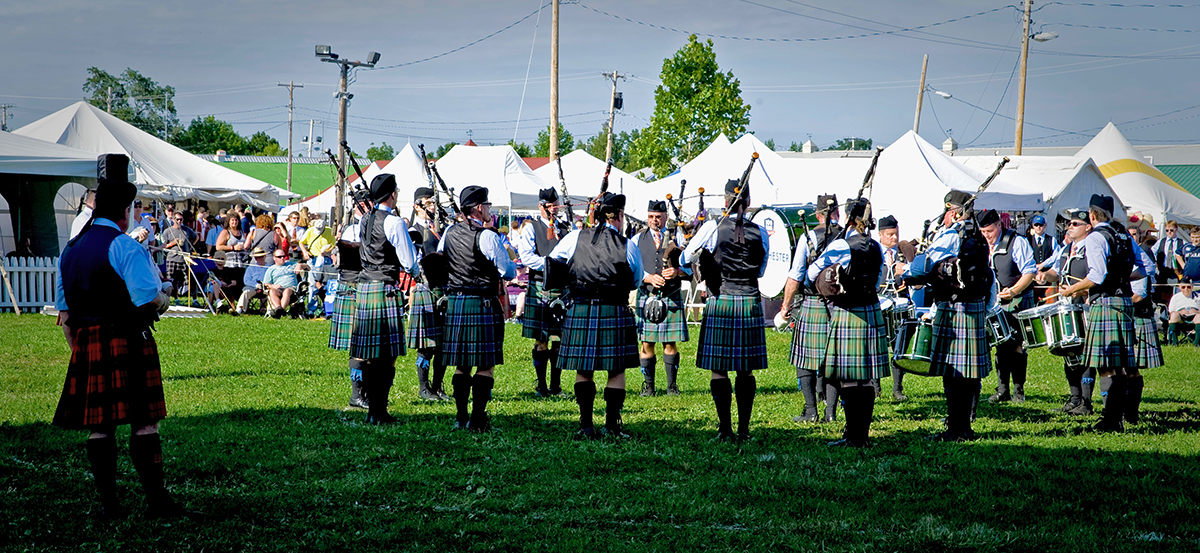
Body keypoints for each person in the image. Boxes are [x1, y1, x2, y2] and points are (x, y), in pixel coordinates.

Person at [52, 154, 192, 519]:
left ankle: (109, 505)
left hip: (87, 342)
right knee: (145, 421)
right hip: (126, 338)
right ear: (127, 211)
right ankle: (157, 503)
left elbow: (65, 316)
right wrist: (164, 298)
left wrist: (79, 351)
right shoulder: (125, 246)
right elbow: (147, 300)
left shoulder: (69, 252)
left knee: (100, 427)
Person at [902, 190, 994, 442]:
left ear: (951, 212)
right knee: (968, 373)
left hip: (952, 308)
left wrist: (910, 264)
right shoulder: (979, 238)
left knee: (953, 373)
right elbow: (990, 277)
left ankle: (956, 429)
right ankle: (965, 426)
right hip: (974, 308)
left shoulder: (949, 235)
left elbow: (924, 267)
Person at [548, 192, 642, 439]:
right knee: (616, 370)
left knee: (584, 368)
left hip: (581, 307)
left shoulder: (574, 237)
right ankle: (611, 426)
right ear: (619, 215)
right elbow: (636, 280)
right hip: (614, 309)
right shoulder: (627, 245)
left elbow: (553, 263)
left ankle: (586, 425)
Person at [683, 178, 769, 442]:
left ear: (724, 201)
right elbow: (762, 270)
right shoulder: (760, 231)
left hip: (721, 300)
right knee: (746, 369)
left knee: (719, 368)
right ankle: (743, 430)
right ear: (749, 201)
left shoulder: (712, 227)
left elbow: (686, 257)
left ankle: (725, 430)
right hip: (750, 300)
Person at [1058, 194, 1147, 432]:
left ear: (1092, 215)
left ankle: (1111, 420)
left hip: (1106, 303)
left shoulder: (1096, 238)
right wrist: (1120, 277)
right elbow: (1146, 266)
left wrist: (1072, 289)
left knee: (1108, 366)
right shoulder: (1123, 234)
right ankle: (1117, 418)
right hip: (1125, 302)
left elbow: (1096, 276)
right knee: (1121, 366)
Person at [806, 197, 888, 447]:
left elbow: (811, 274)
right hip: (871, 309)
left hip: (848, 312)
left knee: (849, 378)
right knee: (865, 378)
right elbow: (878, 279)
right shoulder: (876, 246)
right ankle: (861, 435)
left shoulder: (842, 245)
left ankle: (853, 436)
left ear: (849, 218)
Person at [439, 185, 517, 432]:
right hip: (482, 304)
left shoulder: (448, 233)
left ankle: (460, 417)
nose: (490, 210)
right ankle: (477, 419)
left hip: (457, 303)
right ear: (479, 208)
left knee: (462, 364)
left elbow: (440, 261)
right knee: (485, 365)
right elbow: (508, 271)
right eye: (488, 206)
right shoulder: (488, 237)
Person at [351, 174, 420, 425]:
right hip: (384, 288)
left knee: (370, 353)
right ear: (392, 194)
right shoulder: (394, 222)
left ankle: (372, 409)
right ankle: (379, 410)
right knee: (387, 354)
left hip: (366, 286)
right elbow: (409, 262)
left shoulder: (365, 218)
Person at [780, 193, 840, 423]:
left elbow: (795, 276)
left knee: (804, 360)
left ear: (817, 215)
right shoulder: (847, 236)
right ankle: (831, 413)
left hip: (813, 302)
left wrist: (785, 305)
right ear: (837, 213)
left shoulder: (809, 238)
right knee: (833, 360)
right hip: (839, 305)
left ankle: (811, 410)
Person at [1037, 211, 1097, 415]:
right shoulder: (1065, 249)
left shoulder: (1092, 248)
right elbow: (1057, 272)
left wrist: (1080, 290)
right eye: (1068, 224)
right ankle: (1074, 399)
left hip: (1086, 305)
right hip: (1067, 305)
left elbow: (1097, 277)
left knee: (1085, 354)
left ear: (1087, 227)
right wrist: (1046, 276)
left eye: (1075, 223)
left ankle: (1086, 403)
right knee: (1069, 352)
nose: (1069, 227)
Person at [516, 188, 571, 398]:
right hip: (540, 286)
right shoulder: (531, 228)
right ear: (541, 206)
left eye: (555, 205)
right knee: (541, 339)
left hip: (562, 288)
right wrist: (550, 265)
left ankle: (556, 386)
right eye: (549, 206)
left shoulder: (564, 228)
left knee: (559, 337)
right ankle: (541, 386)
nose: (553, 209)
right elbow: (526, 257)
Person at [978, 209, 1036, 403]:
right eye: (983, 232)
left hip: (1016, 300)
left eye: (990, 231)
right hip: (994, 304)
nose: (987, 236)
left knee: (1017, 346)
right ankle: (1002, 390)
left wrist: (1014, 290)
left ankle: (1018, 391)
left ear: (999, 225)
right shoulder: (981, 245)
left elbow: (1029, 271)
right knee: (1000, 345)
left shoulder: (1017, 242)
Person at [634, 199, 689, 397]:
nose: (654, 220)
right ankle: (648, 386)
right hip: (647, 295)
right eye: (651, 217)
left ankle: (672, 386)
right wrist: (647, 276)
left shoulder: (678, 236)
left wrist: (677, 271)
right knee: (646, 342)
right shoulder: (637, 239)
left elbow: (691, 264)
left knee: (669, 342)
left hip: (670, 295)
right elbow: (631, 266)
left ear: (665, 216)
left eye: (658, 217)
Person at [406, 187, 450, 402]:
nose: (432, 206)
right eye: (428, 203)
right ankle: (424, 388)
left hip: (444, 289)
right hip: (426, 288)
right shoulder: (413, 232)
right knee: (426, 344)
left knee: (442, 343)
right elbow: (411, 262)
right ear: (417, 206)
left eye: (434, 203)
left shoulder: (441, 230)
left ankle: (439, 386)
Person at [331, 204, 368, 410]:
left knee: (367, 346)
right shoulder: (351, 230)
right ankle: (357, 395)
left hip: (360, 286)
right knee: (360, 344)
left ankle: (364, 393)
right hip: (355, 286)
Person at [875, 214, 914, 401]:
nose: (894, 238)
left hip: (900, 304)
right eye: (890, 234)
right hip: (879, 304)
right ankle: (875, 387)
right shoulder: (873, 251)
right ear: (881, 234)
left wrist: (906, 268)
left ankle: (897, 388)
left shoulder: (903, 252)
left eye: (896, 234)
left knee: (899, 346)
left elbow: (917, 282)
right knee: (876, 346)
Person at [1130, 226, 1163, 408]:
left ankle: (1131, 413)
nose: (1131, 237)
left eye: (1134, 234)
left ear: (1140, 236)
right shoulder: (1126, 258)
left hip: (1139, 316)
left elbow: (1139, 295)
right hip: (1128, 317)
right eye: (1128, 234)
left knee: (1132, 369)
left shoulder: (1142, 255)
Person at [299, 217, 335, 315]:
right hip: (313, 259)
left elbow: (334, 244)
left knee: (326, 284)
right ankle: (311, 308)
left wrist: (327, 251)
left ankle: (326, 307)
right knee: (312, 284)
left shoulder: (329, 231)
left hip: (326, 259)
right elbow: (301, 242)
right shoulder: (310, 231)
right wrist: (305, 251)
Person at [262, 248, 308, 318]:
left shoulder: (292, 264)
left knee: (287, 291)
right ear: (274, 258)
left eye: (284, 256)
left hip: (291, 289)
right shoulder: (271, 269)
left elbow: (308, 267)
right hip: (278, 288)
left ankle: (281, 310)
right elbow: (266, 284)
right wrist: (273, 286)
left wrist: (300, 265)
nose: (282, 258)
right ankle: (278, 309)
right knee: (272, 292)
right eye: (279, 257)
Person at [160, 211, 196, 297]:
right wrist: (172, 243)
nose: (179, 221)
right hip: (172, 258)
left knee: (190, 280)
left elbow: (196, 237)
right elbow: (163, 246)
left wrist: (190, 246)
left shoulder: (186, 230)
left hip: (185, 258)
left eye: (181, 219)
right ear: (173, 219)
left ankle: (193, 299)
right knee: (172, 280)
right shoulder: (168, 231)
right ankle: (174, 298)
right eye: (177, 219)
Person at [1155, 220, 1184, 303]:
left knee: (1175, 295)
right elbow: (1151, 254)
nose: (1169, 232)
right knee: (1162, 297)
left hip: (1176, 273)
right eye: (1167, 230)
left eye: (1172, 230)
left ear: (1176, 229)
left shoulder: (1182, 242)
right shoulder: (1160, 242)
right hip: (1163, 272)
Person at [1167, 280, 1200, 345]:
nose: (1186, 289)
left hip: (1194, 317)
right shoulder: (1175, 297)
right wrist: (1179, 312)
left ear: (1192, 287)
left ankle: (1197, 343)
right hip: (1181, 318)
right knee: (1174, 315)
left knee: (1199, 316)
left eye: (1188, 287)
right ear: (1179, 287)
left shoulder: (1198, 296)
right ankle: (1174, 342)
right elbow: (1171, 310)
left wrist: (1196, 311)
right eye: (1183, 287)